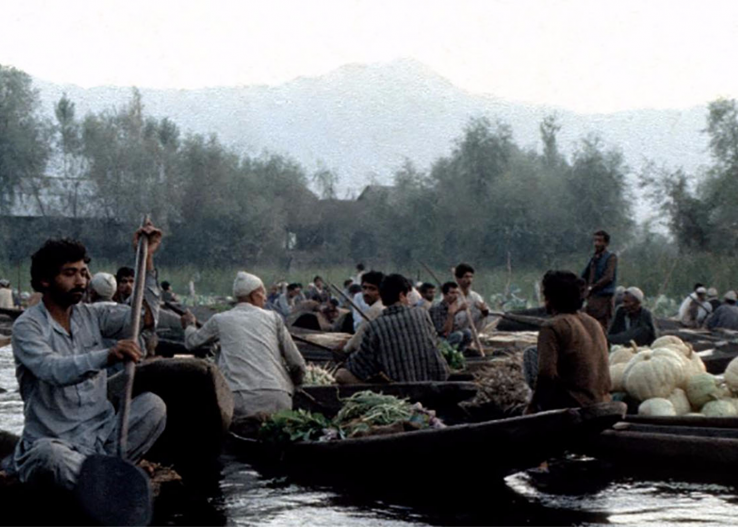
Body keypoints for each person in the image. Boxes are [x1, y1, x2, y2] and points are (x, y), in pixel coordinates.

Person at [9, 222, 166, 492]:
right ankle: (110, 477)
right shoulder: (27, 326)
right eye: (70, 274)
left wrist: (147, 258)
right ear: (46, 280)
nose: (81, 281)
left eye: (83, 272)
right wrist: (107, 355)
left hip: (101, 437)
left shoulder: (94, 314)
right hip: (57, 441)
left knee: (154, 406)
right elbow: (52, 370)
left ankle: (101, 473)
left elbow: (147, 319)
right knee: (49, 457)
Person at [181, 271, 306, 418]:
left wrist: (189, 325)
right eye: (263, 294)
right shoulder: (274, 318)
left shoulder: (220, 319)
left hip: (239, 397)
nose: (265, 298)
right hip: (278, 397)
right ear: (254, 295)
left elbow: (191, 343)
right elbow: (297, 364)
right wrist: (296, 383)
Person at [336, 274, 449, 384]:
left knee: (341, 374)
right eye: (407, 296)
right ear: (401, 295)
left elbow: (358, 364)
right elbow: (435, 342)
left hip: (398, 389)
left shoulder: (375, 326)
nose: (409, 301)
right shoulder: (421, 314)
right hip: (434, 380)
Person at [526, 270, 611, 414]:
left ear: (550, 298)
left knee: (528, 356)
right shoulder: (594, 323)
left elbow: (547, 375)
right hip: (602, 402)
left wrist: (533, 406)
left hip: (572, 407)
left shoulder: (552, 326)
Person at [581, 230, 618, 332]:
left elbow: (608, 277)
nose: (596, 244)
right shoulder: (594, 258)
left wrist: (591, 287)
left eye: (600, 241)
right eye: (595, 241)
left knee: (601, 325)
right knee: (590, 323)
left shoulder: (610, 258)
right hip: (593, 297)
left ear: (606, 243)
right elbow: (585, 275)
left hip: (604, 296)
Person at [340, 271, 385, 354]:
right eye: (364, 288)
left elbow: (356, 342)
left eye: (372, 289)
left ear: (381, 291)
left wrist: (344, 349)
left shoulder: (376, 309)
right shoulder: (383, 306)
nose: (366, 293)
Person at [429, 282, 472, 353]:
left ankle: (459, 353)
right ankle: (445, 353)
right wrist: (451, 314)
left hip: (449, 334)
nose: (455, 295)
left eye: (456, 293)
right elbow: (443, 331)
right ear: (445, 294)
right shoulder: (437, 308)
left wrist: (457, 310)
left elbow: (454, 326)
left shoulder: (452, 306)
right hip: (438, 338)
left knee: (467, 332)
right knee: (458, 335)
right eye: (452, 293)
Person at [453, 263, 490, 332]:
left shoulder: (475, 296)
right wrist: (459, 309)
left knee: (478, 312)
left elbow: (485, 313)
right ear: (458, 279)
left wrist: (484, 310)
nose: (469, 280)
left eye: (471, 277)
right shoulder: (452, 296)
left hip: (473, 330)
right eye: (466, 277)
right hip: (457, 331)